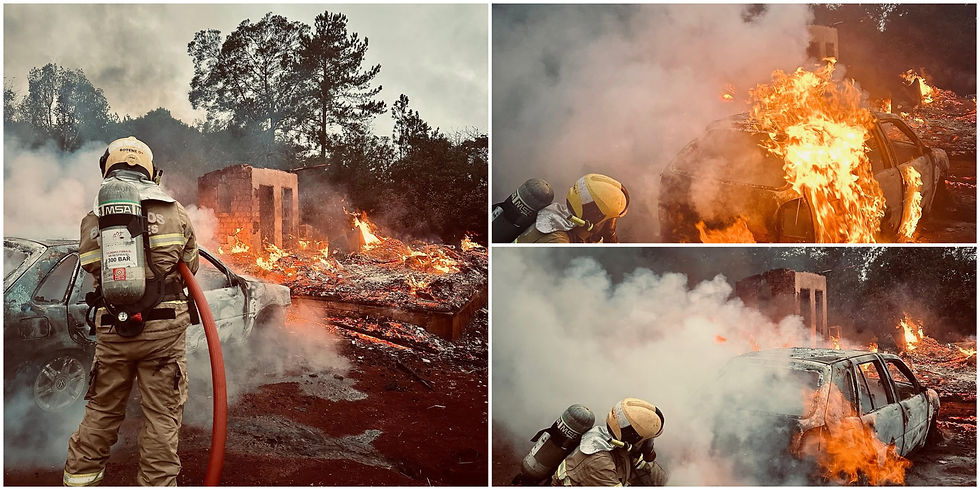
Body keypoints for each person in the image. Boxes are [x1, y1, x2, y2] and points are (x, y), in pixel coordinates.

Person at [64, 136, 199, 486]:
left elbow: (93, 269)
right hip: (164, 334)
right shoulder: (175, 211)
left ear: (108, 167)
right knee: (161, 418)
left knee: (101, 412)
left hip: (113, 330)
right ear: (151, 170)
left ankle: (79, 479)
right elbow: (191, 267)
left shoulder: (95, 216)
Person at [551, 398, 668, 486]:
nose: (649, 445)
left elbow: (661, 481)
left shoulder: (621, 443)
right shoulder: (598, 463)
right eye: (648, 441)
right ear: (634, 439)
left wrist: (641, 458)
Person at [514, 174, 629, 243]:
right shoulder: (558, 241)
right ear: (596, 217)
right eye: (611, 220)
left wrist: (610, 238)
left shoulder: (562, 215)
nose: (612, 226)